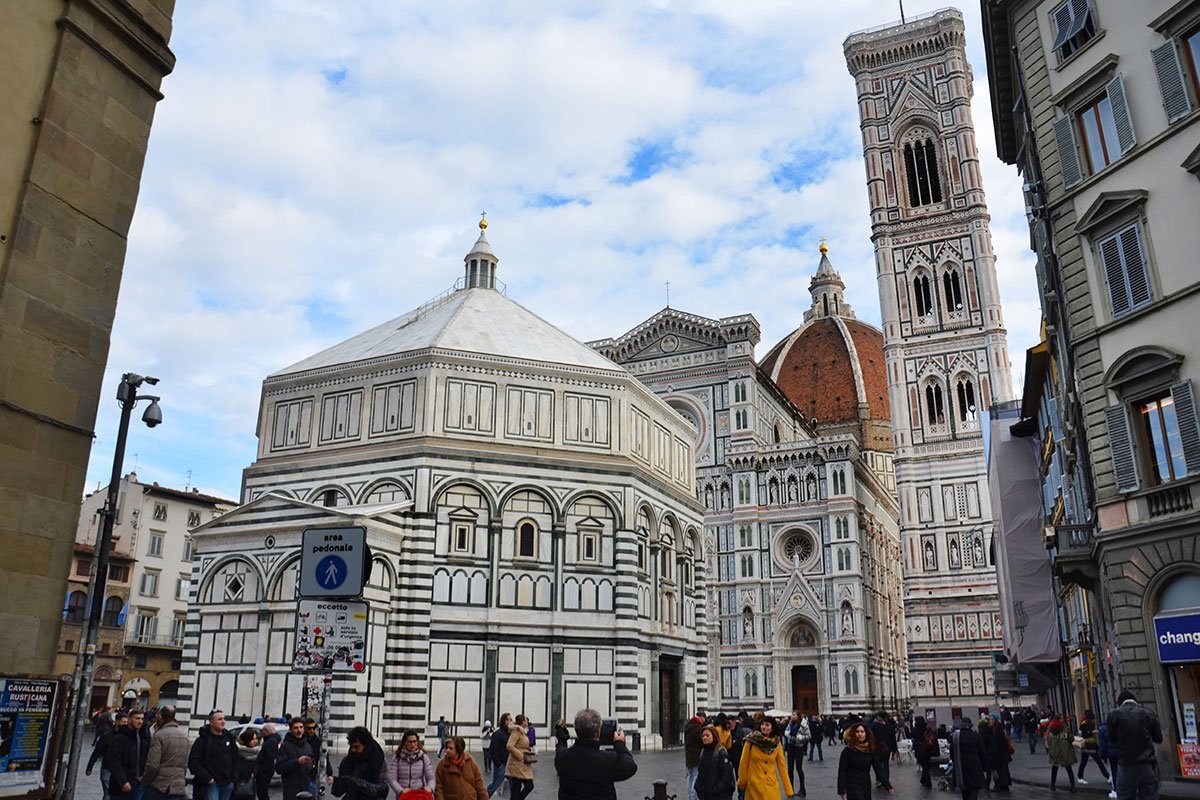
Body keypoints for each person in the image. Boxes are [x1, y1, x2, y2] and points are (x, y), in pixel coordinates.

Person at [554, 708, 637, 800]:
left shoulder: (562, 757)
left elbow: (560, 747)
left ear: (576, 730)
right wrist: (619, 742)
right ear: (597, 733)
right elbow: (630, 766)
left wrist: (561, 735)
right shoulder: (608, 760)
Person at [1107, 690, 1163, 800]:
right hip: (1146, 765)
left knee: (1125, 796)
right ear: (1135, 701)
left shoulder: (1113, 715)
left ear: (1120, 703)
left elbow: (1112, 739)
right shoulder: (1148, 713)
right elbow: (1158, 738)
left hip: (1126, 765)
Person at [737, 716, 793, 800]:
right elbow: (743, 763)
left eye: (767, 725)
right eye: (762, 724)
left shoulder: (776, 744)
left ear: (772, 728)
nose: (764, 727)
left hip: (771, 784)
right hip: (754, 785)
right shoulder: (750, 741)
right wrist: (742, 782)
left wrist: (788, 790)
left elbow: (782, 767)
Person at [143, 706, 190, 800]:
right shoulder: (184, 737)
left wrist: (145, 781)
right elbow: (184, 765)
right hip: (177, 786)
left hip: (159, 786)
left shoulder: (159, 735)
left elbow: (153, 765)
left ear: (160, 716)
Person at [190, 710, 238, 800]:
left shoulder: (229, 739)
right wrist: (208, 779)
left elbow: (236, 759)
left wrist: (233, 779)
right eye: (219, 719)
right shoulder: (202, 740)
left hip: (227, 783)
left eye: (224, 719)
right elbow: (193, 762)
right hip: (211, 783)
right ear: (211, 722)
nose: (223, 721)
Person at [837, 721, 892, 800]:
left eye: (862, 732)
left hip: (865, 784)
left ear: (866, 733)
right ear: (853, 734)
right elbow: (842, 771)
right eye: (857, 732)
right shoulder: (848, 751)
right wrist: (841, 789)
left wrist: (887, 785)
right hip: (852, 785)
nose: (860, 734)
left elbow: (878, 768)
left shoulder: (869, 750)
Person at [331, 727, 388, 800]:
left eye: (356, 747)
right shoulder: (348, 760)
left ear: (366, 745)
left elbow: (382, 790)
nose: (353, 750)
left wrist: (358, 783)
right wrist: (337, 782)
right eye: (351, 746)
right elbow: (339, 792)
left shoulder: (379, 760)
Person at [105, 709, 145, 800]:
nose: (140, 721)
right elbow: (114, 761)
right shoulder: (119, 737)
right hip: (121, 785)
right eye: (137, 718)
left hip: (138, 784)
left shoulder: (142, 737)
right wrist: (123, 781)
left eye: (142, 719)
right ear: (130, 720)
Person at [89, 711, 129, 800]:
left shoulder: (128, 737)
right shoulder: (107, 736)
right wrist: (90, 766)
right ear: (117, 721)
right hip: (108, 769)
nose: (125, 724)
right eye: (123, 722)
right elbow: (97, 751)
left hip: (121, 770)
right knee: (108, 794)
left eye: (127, 722)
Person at [434, 735, 488, 800]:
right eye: (446, 748)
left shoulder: (470, 761)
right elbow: (438, 787)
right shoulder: (441, 765)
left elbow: (479, 783)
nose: (447, 750)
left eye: (451, 748)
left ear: (458, 749)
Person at [275, 718, 314, 800]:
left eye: (301, 727)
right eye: (296, 728)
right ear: (291, 729)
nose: (299, 730)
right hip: (291, 790)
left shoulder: (307, 746)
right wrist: (297, 762)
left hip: (306, 788)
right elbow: (279, 768)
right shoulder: (285, 746)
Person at [389, 730, 435, 797]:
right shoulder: (397, 757)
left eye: (414, 741)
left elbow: (431, 777)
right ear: (405, 742)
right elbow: (392, 778)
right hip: (403, 795)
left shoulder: (423, 757)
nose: (413, 744)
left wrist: (430, 788)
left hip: (419, 795)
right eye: (410, 742)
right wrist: (400, 791)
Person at [695, 725, 735, 800]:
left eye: (707, 735)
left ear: (713, 736)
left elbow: (727, 775)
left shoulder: (720, 752)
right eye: (703, 736)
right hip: (705, 794)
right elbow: (701, 772)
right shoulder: (703, 752)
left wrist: (717, 789)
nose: (705, 738)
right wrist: (697, 786)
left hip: (718, 795)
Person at [951, 718, 987, 800]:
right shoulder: (977, 736)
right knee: (974, 789)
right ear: (970, 726)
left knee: (964, 790)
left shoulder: (955, 737)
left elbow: (952, 754)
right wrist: (983, 766)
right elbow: (983, 753)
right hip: (975, 765)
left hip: (961, 766)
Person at [505, 714, 535, 800]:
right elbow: (509, 746)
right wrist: (521, 756)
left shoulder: (523, 732)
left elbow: (521, 745)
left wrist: (529, 749)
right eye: (525, 720)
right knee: (527, 786)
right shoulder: (516, 731)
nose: (527, 722)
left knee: (517, 788)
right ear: (522, 722)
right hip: (517, 764)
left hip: (522, 764)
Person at [1045, 715, 1077, 793]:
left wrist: (1051, 748)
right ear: (1060, 719)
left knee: (1054, 768)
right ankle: (1072, 786)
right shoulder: (1064, 727)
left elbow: (1048, 740)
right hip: (1065, 750)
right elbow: (1071, 738)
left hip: (1055, 751)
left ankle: (1052, 785)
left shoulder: (1050, 728)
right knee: (1068, 768)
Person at [1077, 709, 1109, 785]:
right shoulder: (1084, 724)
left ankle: (1107, 776)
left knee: (1097, 762)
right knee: (1085, 762)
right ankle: (1080, 777)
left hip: (1091, 745)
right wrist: (1092, 732)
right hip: (1087, 745)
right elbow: (1085, 734)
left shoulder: (1089, 723)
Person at [783, 711, 809, 797]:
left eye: (794, 715)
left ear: (798, 716)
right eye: (792, 714)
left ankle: (802, 789)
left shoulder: (804, 724)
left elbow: (808, 736)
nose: (792, 716)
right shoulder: (790, 724)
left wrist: (799, 737)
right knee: (790, 769)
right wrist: (788, 735)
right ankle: (790, 789)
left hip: (799, 747)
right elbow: (786, 732)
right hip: (791, 747)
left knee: (799, 768)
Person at [254, 724, 281, 800]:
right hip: (266, 770)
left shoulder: (270, 742)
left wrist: (261, 770)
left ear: (266, 731)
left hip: (265, 771)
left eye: (262, 731)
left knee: (262, 792)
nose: (261, 733)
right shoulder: (272, 740)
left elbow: (269, 757)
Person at [486, 714, 511, 797]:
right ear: (505, 721)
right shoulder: (498, 734)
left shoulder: (509, 733)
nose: (512, 722)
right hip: (502, 764)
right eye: (510, 720)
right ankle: (483, 796)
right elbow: (493, 750)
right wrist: (499, 764)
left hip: (509, 764)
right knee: (496, 785)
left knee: (514, 785)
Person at [986, 717, 1013, 792]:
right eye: (990, 720)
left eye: (992, 719)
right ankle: (1003, 785)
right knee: (1001, 771)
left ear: (995, 720)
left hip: (1000, 755)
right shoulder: (996, 728)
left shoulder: (997, 729)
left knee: (1000, 771)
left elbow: (997, 742)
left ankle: (1002, 786)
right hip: (1000, 755)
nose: (990, 721)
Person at [233, 729, 260, 800]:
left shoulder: (256, 752)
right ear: (247, 740)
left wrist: (254, 772)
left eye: (256, 738)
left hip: (251, 783)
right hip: (239, 782)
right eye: (252, 739)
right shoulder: (238, 752)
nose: (255, 741)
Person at [871, 712, 897, 786]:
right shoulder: (890, 726)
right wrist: (894, 749)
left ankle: (879, 780)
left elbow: (871, 738)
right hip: (887, 749)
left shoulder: (873, 726)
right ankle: (886, 780)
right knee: (886, 765)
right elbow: (893, 739)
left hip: (877, 749)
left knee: (878, 765)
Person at [684, 711, 705, 800]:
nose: (704, 720)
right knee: (696, 775)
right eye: (704, 718)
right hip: (696, 755)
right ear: (701, 717)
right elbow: (702, 741)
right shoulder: (697, 728)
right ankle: (693, 796)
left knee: (690, 775)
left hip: (689, 755)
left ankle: (690, 795)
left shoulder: (689, 726)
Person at [911, 717, 934, 788]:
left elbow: (909, 735)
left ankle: (928, 782)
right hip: (928, 749)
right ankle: (923, 780)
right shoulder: (927, 728)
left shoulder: (916, 730)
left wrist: (906, 728)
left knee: (925, 767)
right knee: (926, 765)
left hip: (920, 750)